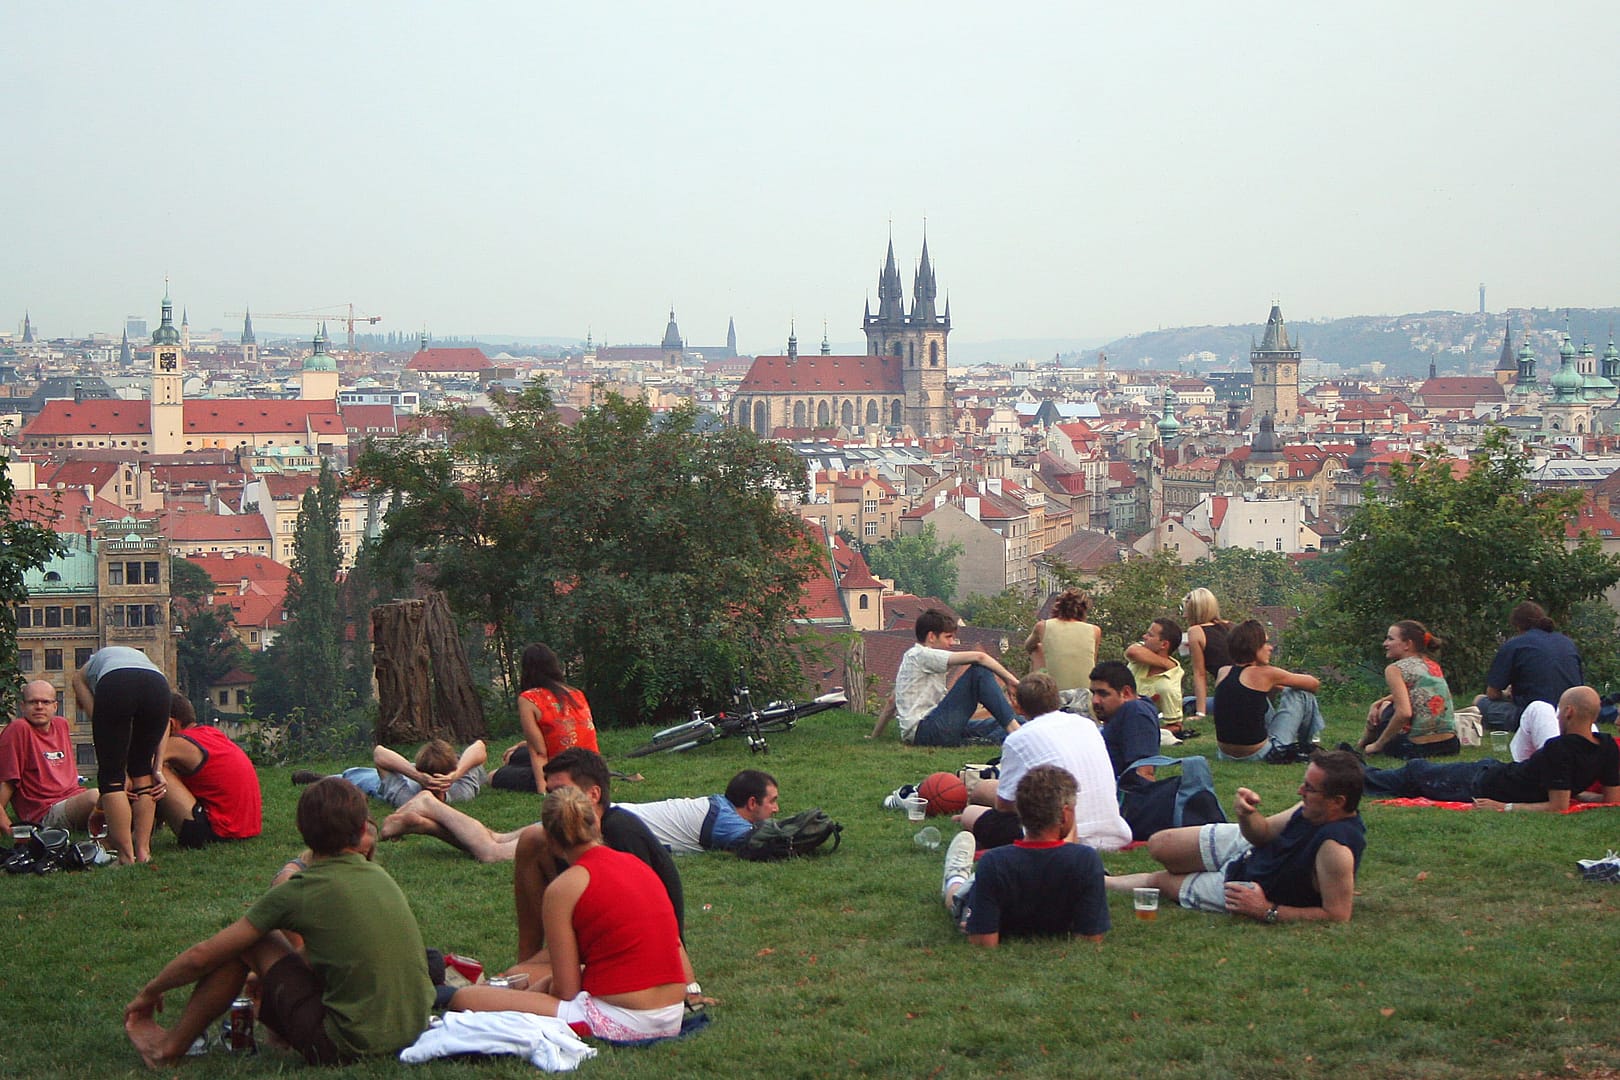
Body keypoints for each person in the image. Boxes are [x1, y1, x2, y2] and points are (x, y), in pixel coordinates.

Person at [124, 778, 434, 1067]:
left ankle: (168, 1048)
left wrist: (151, 990)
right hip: (412, 1032)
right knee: (267, 949)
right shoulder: (379, 875)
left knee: (251, 941)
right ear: (362, 828)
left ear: (301, 828)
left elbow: (201, 957)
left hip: (347, 1046)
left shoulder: (299, 889)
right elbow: (331, 956)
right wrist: (272, 974)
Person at [448, 785, 688, 1042]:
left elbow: (566, 989)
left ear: (550, 841)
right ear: (596, 823)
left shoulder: (564, 888)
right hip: (672, 1013)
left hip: (625, 1018)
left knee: (465, 998)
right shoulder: (637, 866)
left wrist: (539, 991)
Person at [1106, 750, 1366, 924]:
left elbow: (1338, 914)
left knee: (1162, 881)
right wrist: (1246, 814)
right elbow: (1262, 833)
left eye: (1309, 788)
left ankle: (1105, 883)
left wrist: (1267, 910)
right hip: (1250, 850)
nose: (1300, 791)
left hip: (1243, 885)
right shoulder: (1310, 809)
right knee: (1159, 844)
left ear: (1337, 802)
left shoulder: (1335, 848)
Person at [1362, 686, 1620, 812]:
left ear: (1568, 712)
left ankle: (1348, 776)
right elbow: (1612, 798)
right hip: (1495, 773)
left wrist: (1503, 806)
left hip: (1483, 784)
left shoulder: (1560, 748)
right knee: (1415, 775)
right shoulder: (1607, 746)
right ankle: (1354, 769)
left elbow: (1557, 807)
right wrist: (1585, 795)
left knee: (1414, 773)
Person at [958, 673, 1131, 853]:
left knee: (970, 814)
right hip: (1112, 829)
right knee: (983, 788)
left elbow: (1005, 807)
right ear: (1057, 699)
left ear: (1017, 705)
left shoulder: (1018, 739)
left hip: (1058, 833)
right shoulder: (1086, 725)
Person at [940, 765, 1110, 946]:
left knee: (962, 895)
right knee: (965, 893)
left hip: (995, 887)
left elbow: (983, 942)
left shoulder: (995, 863)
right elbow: (1091, 939)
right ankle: (954, 876)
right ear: (1065, 814)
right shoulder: (1085, 861)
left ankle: (955, 878)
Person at [74, 646, 171, 865]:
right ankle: (144, 851)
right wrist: (157, 767)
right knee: (142, 771)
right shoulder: (145, 664)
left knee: (111, 777)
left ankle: (126, 855)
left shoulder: (82, 675)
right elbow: (164, 725)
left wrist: (118, 763)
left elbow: (96, 714)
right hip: (159, 686)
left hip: (117, 684)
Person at [869, 608, 1021, 747]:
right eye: (948, 637)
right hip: (927, 729)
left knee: (1018, 721)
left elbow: (891, 702)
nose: (951, 643)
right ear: (931, 637)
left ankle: (991, 739)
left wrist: (874, 736)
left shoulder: (910, 659)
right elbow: (980, 657)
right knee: (979, 672)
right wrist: (1010, 680)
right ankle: (1015, 732)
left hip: (927, 730)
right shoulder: (922, 655)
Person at [155, 693, 262, 847]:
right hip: (244, 828)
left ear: (170, 724)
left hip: (216, 832)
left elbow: (141, 766)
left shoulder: (179, 742)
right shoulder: (210, 734)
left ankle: (122, 837)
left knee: (154, 771)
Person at [1211, 620, 1324, 764]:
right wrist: (1284, 685)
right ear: (1253, 647)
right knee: (1301, 694)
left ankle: (1305, 744)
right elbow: (1314, 684)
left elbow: (1248, 700)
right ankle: (1306, 745)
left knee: (1257, 699)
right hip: (1260, 754)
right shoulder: (1266, 674)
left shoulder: (1224, 672)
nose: (1270, 648)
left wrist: (1276, 685)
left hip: (1224, 754)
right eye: (1265, 643)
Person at [492, 643, 599, 793]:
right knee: (515, 755)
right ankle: (513, 758)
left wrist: (544, 789)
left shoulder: (529, 699)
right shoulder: (575, 693)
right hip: (591, 768)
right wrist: (521, 745)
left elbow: (539, 752)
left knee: (493, 776)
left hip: (562, 771)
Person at [0, 680, 98, 838]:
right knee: (96, 797)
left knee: (119, 796)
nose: (39, 706)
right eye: (33, 702)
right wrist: (8, 830)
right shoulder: (19, 729)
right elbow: (6, 782)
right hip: (45, 811)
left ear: (55, 706)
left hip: (74, 796)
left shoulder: (61, 725)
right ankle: (111, 836)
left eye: (45, 702)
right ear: (22, 706)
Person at [1476, 601, 1584, 733]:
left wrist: (1507, 695)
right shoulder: (1567, 642)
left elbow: (1492, 693)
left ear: (1517, 626)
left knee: (1480, 701)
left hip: (1531, 715)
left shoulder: (1515, 645)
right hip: (1568, 714)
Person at [1356, 621, 1458, 759]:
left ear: (1407, 644)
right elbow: (1419, 692)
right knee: (1385, 704)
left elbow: (1404, 713)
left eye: (1390, 639)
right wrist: (1379, 701)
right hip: (1450, 745)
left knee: (1387, 709)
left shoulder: (1395, 669)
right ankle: (1362, 744)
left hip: (1417, 748)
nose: (1385, 644)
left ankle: (1364, 745)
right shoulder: (1432, 665)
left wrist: (1378, 745)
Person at [616, 769, 780, 854]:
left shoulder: (719, 806)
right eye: (772, 801)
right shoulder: (724, 822)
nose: (776, 809)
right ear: (752, 803)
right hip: (608, 824)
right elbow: (774, 842)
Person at [296, 738, 489, 808]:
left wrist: (416, 776)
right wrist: (456, 775)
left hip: (400, 777)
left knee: (358, 777)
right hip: (412, 773)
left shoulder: (407, 799)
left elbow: (379, 754)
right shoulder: (461, 792)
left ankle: (324, 780)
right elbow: (479, 746)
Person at [1025, 588, 1103, 714]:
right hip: (1085, 698)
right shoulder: (1095, 630)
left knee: (1036, 650)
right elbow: (1092, 662)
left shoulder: (1043, 626)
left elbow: (1028, 646)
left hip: (1055, 697)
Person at [1088, 661, 1162, 782]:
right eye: (1093, 693)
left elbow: (1144, 772)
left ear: (1126, 693)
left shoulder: (1136, 711)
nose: (1095, 700)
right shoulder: (1123, 713)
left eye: (1103, 694)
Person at [1181, 588, 1232, 721]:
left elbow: (1199, 673)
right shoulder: (1230, 626)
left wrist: (1200, 713)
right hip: (1249, 687)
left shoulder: (1195, 631)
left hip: (1228, 696)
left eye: (1186, 610)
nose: (1184, 616)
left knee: (1185, 702)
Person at [1124, 618, 1185, 729]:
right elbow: (1132, 651)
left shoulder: (1168, 685)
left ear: (1164, 644)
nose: (1144, 637)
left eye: (1150, 635)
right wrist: (1166, 663)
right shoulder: (1142, 654)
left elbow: (1175, 725)